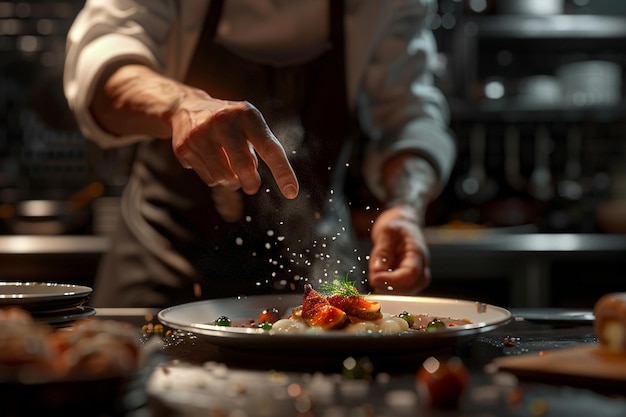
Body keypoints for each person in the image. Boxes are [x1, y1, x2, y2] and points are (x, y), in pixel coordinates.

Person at [63, 0, 456, 307]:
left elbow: (409, 116)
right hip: (163, 255)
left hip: (317, 262)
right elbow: (101, 62)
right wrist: (180, 105)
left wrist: (405, 205)